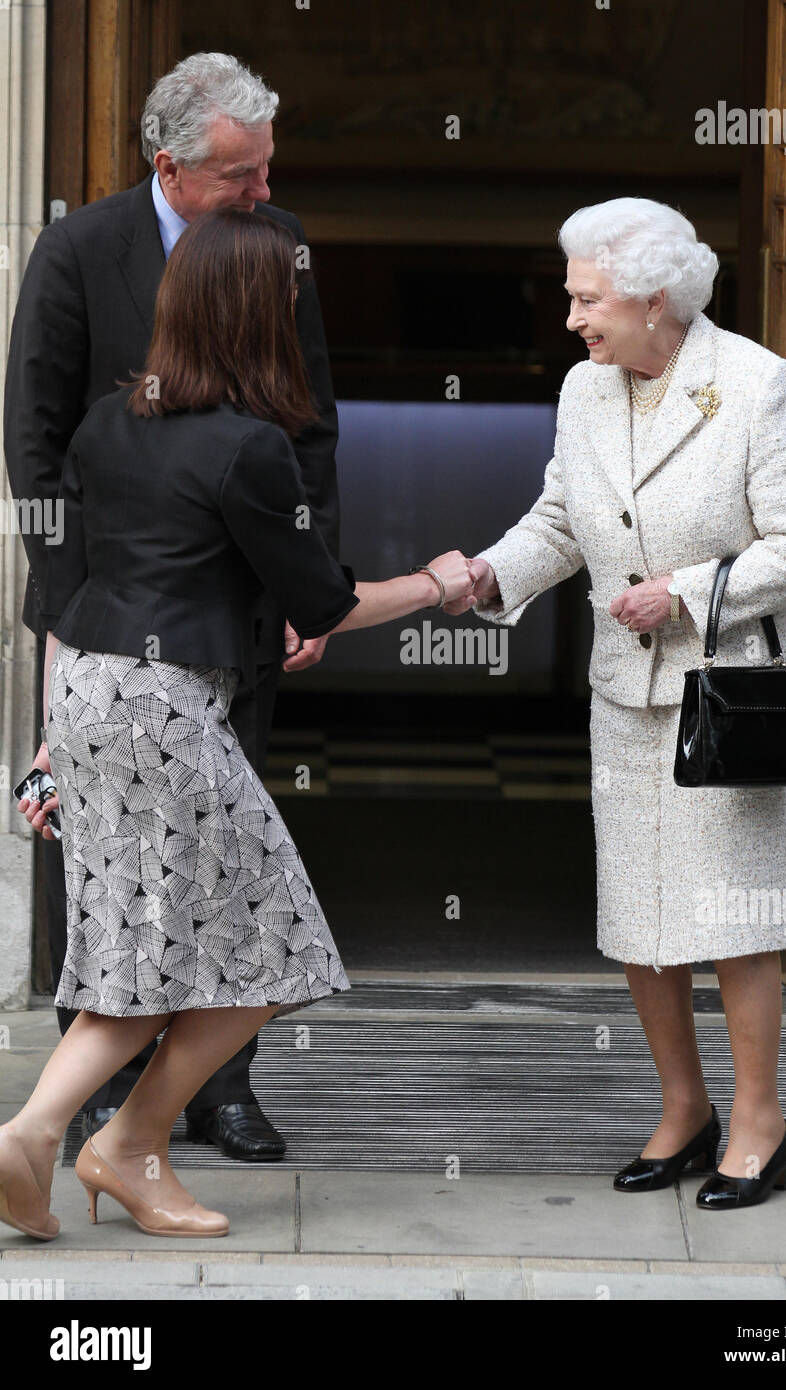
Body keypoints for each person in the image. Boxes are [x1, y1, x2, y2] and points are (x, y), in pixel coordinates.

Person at [0, 207, 475, 1241]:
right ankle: (114, 1142)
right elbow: (328, 604)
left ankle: (48, 1136)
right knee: (278, 949)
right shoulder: (251, 448)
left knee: (140, 951)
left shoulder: (106, 420)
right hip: (166, 713)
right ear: (259, 314)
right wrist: (441, 582)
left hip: (84, 689)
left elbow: (68, 586)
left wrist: (46, 738)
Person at [450, 197, 786, 1210]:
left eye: (588, 296)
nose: (572, 315)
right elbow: (560, 520)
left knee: (738, 915)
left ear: (655, 297)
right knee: (641, 914)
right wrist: (491, 576)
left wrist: (686, 591)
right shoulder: (584, 391)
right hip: (628, 691)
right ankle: (685, 1110)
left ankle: (761, 1119)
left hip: (733, 687)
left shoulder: (755, 385)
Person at [3, 52, 340, 1159]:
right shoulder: (78, 249)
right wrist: (72, 609)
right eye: (241, 175)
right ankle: (100, 1097)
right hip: (105, 621)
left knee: (227, 869)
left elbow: (310, 425)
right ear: (172, 167)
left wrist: (309, 584)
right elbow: (35, 445)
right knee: (108, 860)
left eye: (266, 169)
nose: (261, 192)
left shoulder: (276, 242)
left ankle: (218, 1090)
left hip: (232, 617)